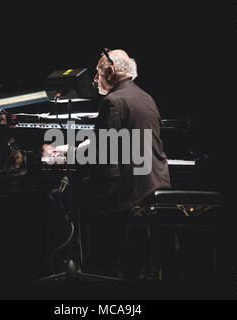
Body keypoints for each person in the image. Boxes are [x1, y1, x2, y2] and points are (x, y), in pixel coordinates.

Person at [45, 49, 171, 277]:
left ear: (110, 71)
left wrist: (75, 168)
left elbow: (105, 157)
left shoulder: (112, 101)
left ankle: (95, 275)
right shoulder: (145, 98)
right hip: (155, 186)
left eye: (97, 72)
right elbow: (112, 141)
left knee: (72, 196)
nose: (94, 79)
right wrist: (72, 149)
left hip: (130, 195)